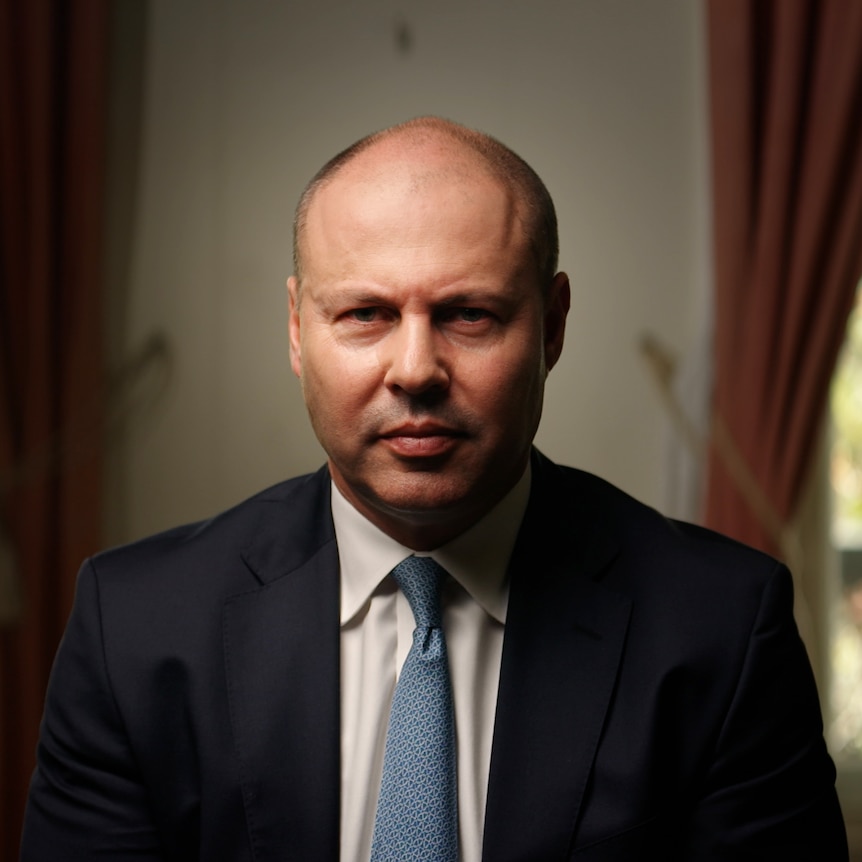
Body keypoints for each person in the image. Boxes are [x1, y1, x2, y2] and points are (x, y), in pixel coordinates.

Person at [21, 117, 847, 861]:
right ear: (298, 330)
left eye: (470, 314)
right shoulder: (131, 627)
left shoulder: (723, 630)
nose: (415, 370)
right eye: (365, 315)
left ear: (553, 325)